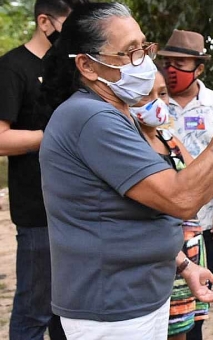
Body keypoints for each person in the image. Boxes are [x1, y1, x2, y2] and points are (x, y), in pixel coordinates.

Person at [38, 2, 213, 339]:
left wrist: (183, 265)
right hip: (113, 309)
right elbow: (183, 197)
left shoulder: (118, 113)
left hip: (136, 297)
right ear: (87, 65)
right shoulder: (93, 118)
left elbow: (134, 211)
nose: (143, 61)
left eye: (143, 47)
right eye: (129, 52)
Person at [0, 1, 82, 339]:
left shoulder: (73, 68)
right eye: (69, 24)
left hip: (78, 210)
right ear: (45, 21)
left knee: (69, 313)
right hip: (38, 211)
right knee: (34, 310)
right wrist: (54, 134)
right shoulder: (12, 68)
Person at [157, 30, 213, 339]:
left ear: (199, 68)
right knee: (161, 301)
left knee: (195, 298)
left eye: (181, 62)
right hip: (159, 218)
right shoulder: (151, 100)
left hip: (200, 222)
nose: (172, 69)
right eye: (167, 62)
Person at [130, 70, 213, 339]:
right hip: (152, 256)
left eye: (162, 93)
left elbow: (204, 187)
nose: (158, 102)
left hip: (187, 251)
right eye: (146, 96)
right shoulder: (129, 143)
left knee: (180, 327)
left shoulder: (170, 140)